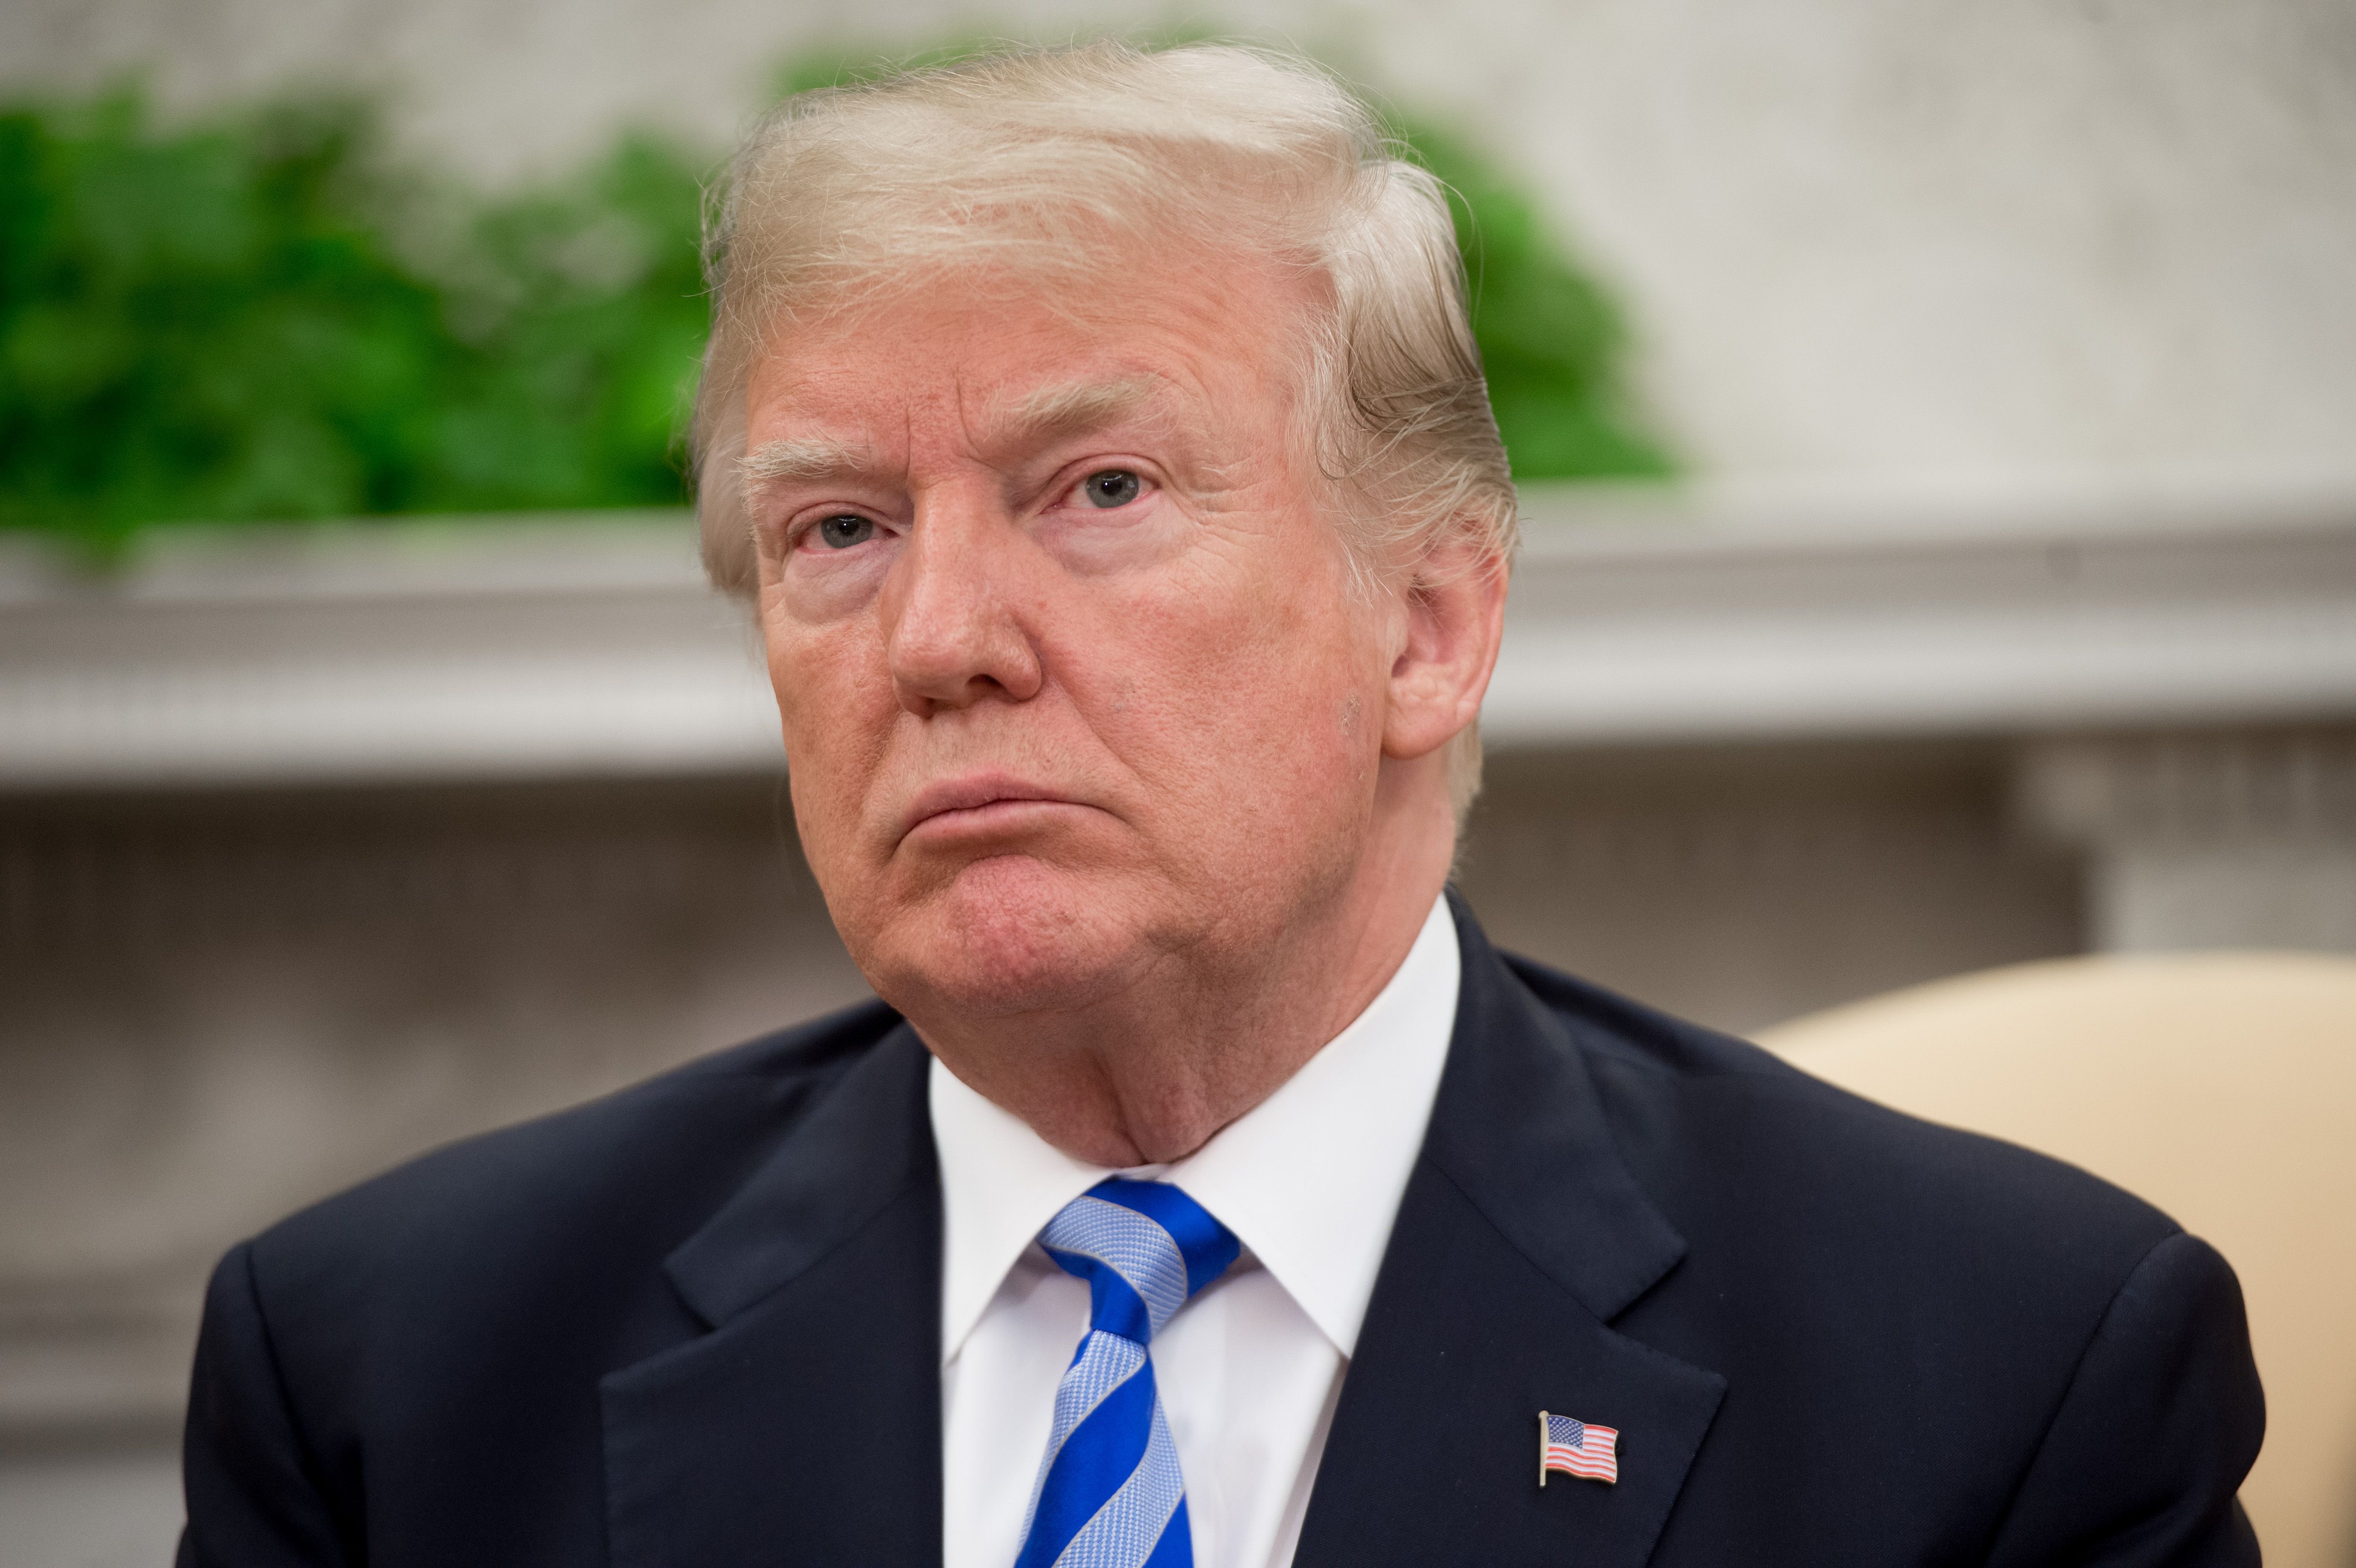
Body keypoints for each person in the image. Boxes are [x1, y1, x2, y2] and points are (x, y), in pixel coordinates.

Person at [177, 42, 2263, 1568]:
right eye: (837, 527)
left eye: (1099, 490)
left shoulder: (2002, 1376)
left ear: (1426, 626)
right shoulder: (398, 1375)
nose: (938, 637)